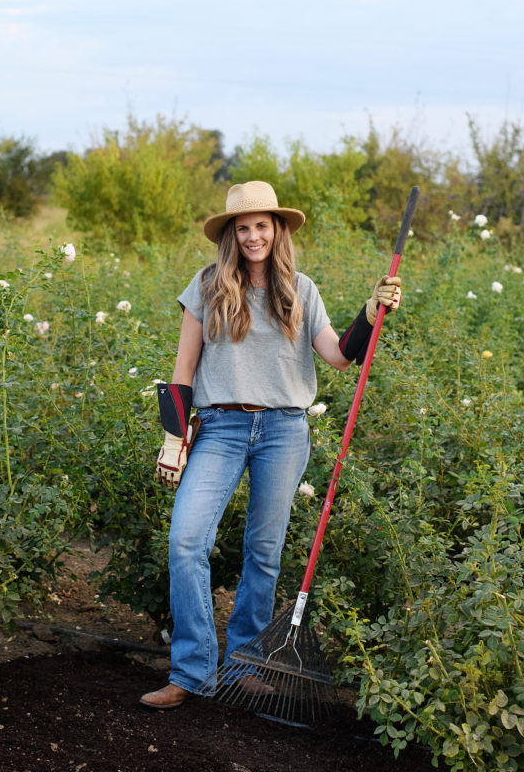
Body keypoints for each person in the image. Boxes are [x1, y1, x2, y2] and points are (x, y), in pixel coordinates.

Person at [141, 180, 401, 709]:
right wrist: (174, 437)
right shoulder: (208, 285)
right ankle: (191, 672)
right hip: (220, 428)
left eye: (262, 226)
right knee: (186, 542)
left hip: (284, 431)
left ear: (277, 230)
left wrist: (371, 314)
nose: (253, 235)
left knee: (264, 551)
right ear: (231, 235)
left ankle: (244, 665)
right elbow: (183, 368)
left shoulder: (300, 289)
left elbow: (338, 356)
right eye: (243, 228)